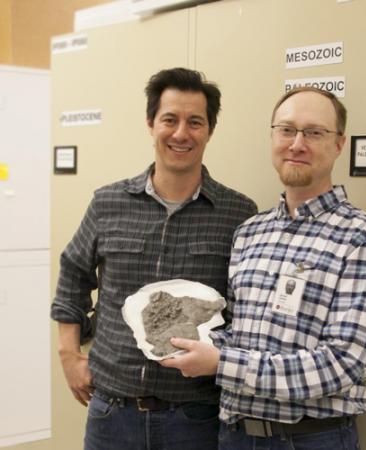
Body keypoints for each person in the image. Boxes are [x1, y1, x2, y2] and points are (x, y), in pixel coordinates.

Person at [161, 86, 366, 450]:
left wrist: (221, 362)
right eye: (286, 130)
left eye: (314, 132)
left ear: (338, 144)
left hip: (310, 439)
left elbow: (342, 363)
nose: (297, 143)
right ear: (273, 137)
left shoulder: (363, 240)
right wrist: (184, 337)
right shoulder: (250, 232)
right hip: (235, 436)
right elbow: (237, 332)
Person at [51, 67, 257, 450]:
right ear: (150, 123)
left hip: (196, 417)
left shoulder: (237, 213)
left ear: (210, 130)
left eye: (195, 122)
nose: (181, 133)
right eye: (170, 120)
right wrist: (68, 354)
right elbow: (74, 275)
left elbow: (249, 309)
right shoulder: (108, 203)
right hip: (113, 413)